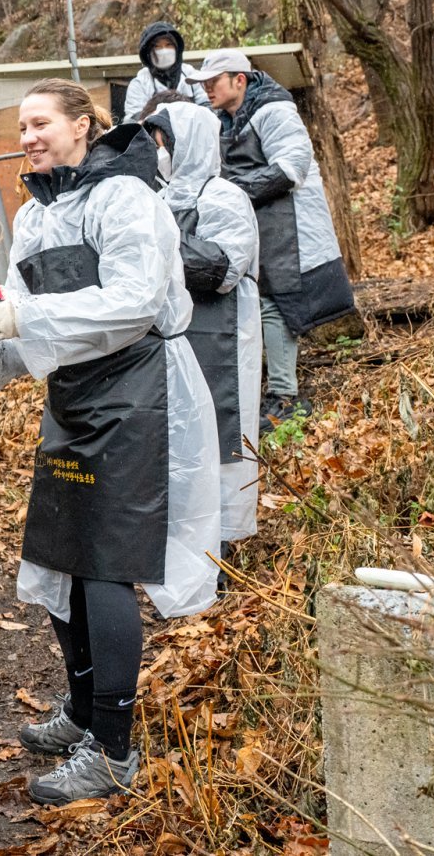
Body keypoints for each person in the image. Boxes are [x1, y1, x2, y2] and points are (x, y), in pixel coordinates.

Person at [0, 78, 220, 805]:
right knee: (61, 555)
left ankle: (113, 749)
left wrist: (24, 324)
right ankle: (79, 712)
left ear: (82, 126)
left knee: (107, 567)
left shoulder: (123, 198)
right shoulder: (36, 218)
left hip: (137, 392)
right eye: (21, 126)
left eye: (41, 123)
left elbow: (133, 302)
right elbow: (18, 321)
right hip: (72, 397)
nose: (28, 136)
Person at [183, 49, 357, 425]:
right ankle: (275, 389)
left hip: (290, 226)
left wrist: (233, 193)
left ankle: (286, 396)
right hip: (261, 226)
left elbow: (291, 167)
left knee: (279, 304)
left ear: (239, 80)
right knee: (262, 302)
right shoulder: (224, 119)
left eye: (213, 82)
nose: (207, 89)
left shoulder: (274, 110)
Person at [140, 94, 262, 545]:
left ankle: (225, 538)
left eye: (163, 141)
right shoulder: (155, 198)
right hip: (172, 336)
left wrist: (160, 248)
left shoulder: (225, 198)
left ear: (186, 142)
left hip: (223, 335)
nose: (158, 151)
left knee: (223, 432)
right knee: (178, 430)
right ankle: (182, 532)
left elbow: (225, 267)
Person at [122, 21, 208, 123]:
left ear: (177, 48)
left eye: (168, 45)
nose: (164, 51)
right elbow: (133, 120)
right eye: (157, 47)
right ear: (148, 53)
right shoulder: (139, 83)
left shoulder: (192, 75)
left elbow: (208, 108)